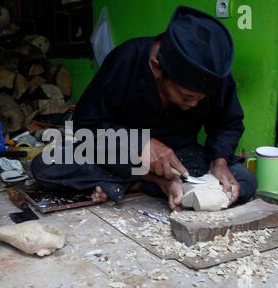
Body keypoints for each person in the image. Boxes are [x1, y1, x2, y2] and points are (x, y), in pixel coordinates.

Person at [31, 6, 257, 211]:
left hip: (180, 159)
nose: (194, 105)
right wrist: (138, 144)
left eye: (201, 98)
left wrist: (219, 162)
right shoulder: (126, 59)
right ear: (157, 69)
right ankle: (150, 181)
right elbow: (85, 129)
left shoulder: (213, 75)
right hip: (118, 154)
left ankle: (141, 184)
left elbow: (228, 122)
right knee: (46, 165)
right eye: (187, 97)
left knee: (243, 180)